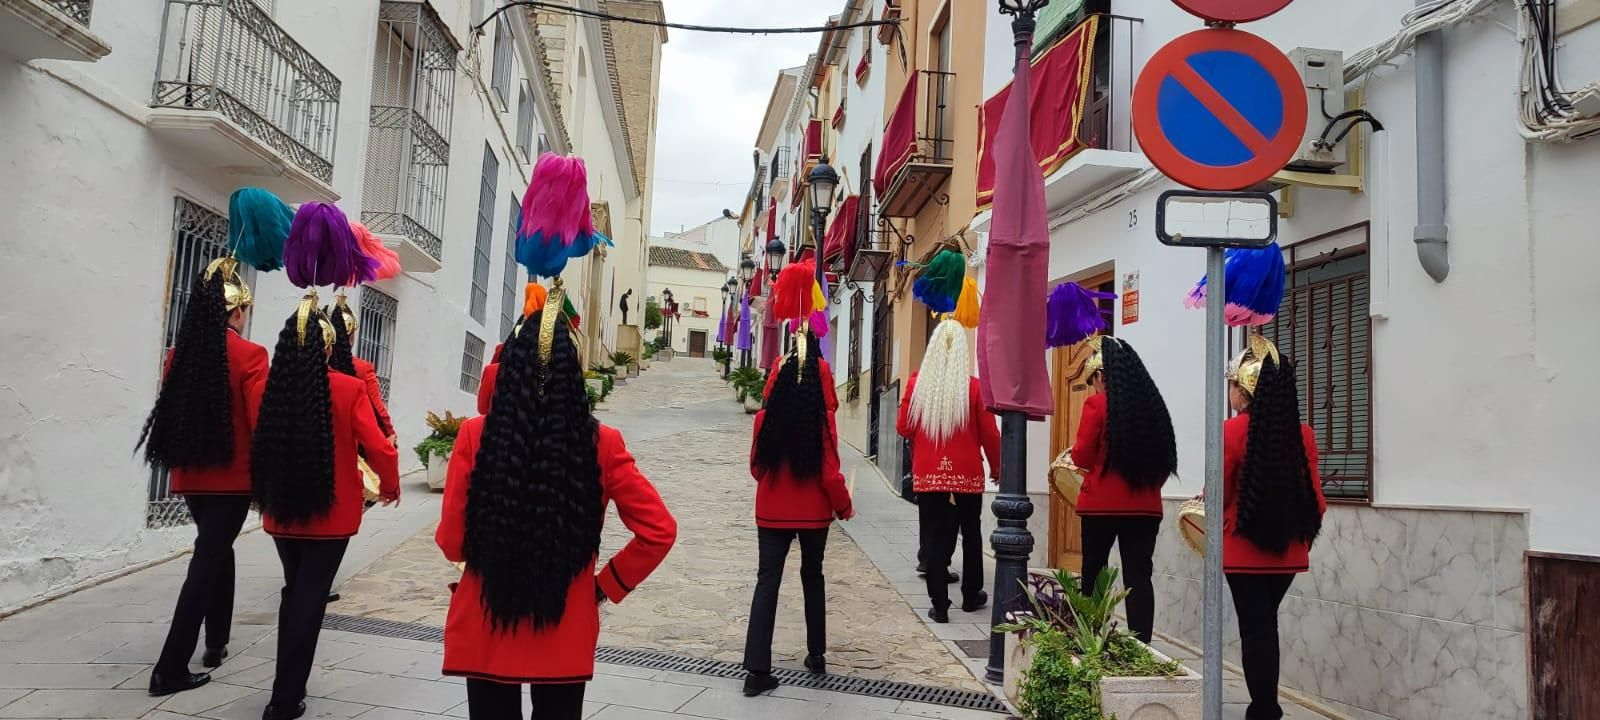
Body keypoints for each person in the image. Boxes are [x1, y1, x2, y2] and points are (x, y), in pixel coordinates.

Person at [437, 297, 677, 720]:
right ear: (573, 374)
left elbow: (453, 543)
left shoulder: (475, 435)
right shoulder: (603, 443)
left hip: (489, 618)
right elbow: (659, 530)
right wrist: (604, 587)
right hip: (563, 626)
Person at [252, 296, 400, 720]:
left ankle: (286, 687)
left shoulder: (266, 386)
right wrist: (389, 486)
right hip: (332, 515)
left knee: (294, 591)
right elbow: (378, 448)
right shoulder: (349, 387)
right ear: (329, 346)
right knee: (309, 599)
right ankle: (284, 697)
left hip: (282, 511)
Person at [139, 259, 268, 696]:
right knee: (208, 557)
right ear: (236, 312)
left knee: (216, 549)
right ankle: (170, 666)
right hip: (232, 479)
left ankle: (216, 642)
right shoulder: (250, 355)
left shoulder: (180, 355)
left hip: (192, 475)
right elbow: (259, 418)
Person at [742, 328, 853, 697]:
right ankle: (816, 653)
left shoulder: (764, 422)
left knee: (766, 582)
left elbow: (757, 470)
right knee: (813, 576)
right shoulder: (820, 424)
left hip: (771, 513)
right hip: (813, 516)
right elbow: (829, 473)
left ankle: (757, 671)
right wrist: (845, 505)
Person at [1222, 334, 1325, 720]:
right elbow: (1317, 501)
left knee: (1256, 630)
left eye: (1231, 385)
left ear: (1243, 390)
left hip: (1242, 550)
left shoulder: (1230, 432)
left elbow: (1219, 493)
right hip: (1287, 553)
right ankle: (1266, 706)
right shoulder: (1304, 435)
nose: (1229, 392)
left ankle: (1264, 710)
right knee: (1265, 626)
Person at [1069, 336, 1177, 643]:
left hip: (1102, 505)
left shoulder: (1098, 404)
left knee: (1093, 572)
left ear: (1101, 377)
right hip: (1145, 507)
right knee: (1139, 577)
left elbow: (1082, 455)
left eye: (1093, 382)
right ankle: (1142, 646)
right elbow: (1166, 459)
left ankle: (1089, 637)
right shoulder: (1152, 408)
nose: (1094, 388)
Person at [897, 318, 999, 623]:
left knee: (933, 537)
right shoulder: (974, 388)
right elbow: (990, 434)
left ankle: (939, 605)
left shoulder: (918, 384)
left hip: (929, 474)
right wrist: (998, 466)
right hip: (966, 475)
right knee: (971, 533)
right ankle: (971, 594)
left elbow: (903, 426)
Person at [323, 296, 396, 604]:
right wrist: (390, 435)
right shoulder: (360, 369)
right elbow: (376, 410)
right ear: (349, 335)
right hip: (351, 450)